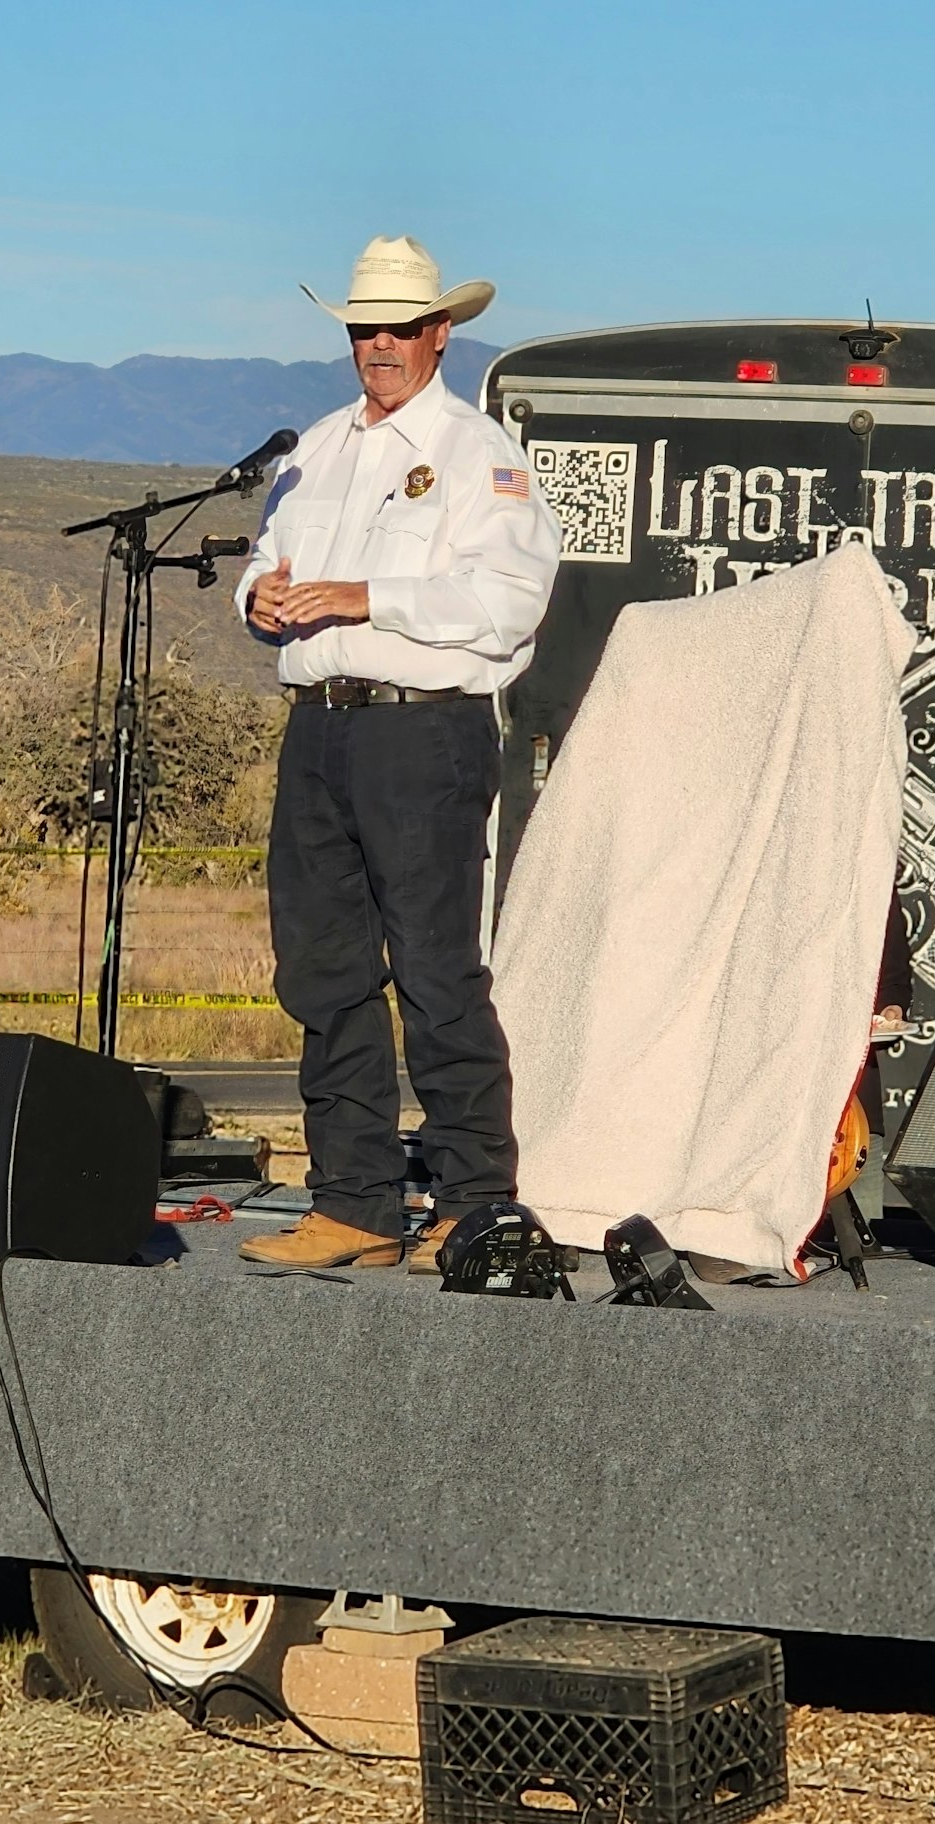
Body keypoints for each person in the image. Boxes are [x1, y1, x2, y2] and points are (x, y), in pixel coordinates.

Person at [235, 235, 561, 1272]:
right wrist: (265, 598)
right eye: (362, 327)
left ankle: (473, 1200)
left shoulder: (480, 455)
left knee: (433, 968)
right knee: (322, 969)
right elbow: (260, 564)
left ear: (440, 333)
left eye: (399, 328)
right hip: (316, 727)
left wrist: (366, 595)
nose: (379, 344)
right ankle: (356, 1201)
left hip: (423, 731)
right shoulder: (316, 446)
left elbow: (509, 602)